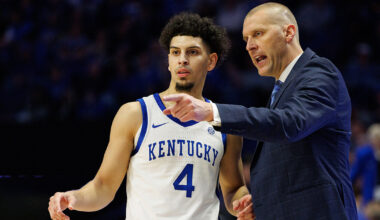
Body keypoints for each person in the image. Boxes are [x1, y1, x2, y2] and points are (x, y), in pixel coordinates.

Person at [47, 12, 253, 220]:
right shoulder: (136, 114)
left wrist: (244, 202)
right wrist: (73, 197)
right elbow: (103, 187)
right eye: (175, 52)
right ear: (168, 62)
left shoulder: (224, 122)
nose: (182, 59)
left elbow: (233, 189)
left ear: (211, 61)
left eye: (192, 52)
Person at [163, 2, 358, 219]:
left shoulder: (320, 72)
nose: (249, 46)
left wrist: (212, 111)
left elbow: (289, 124)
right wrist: (263, 202)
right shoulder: (282, 91)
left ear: (288, 32)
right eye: (246, 39)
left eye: (258, 34)